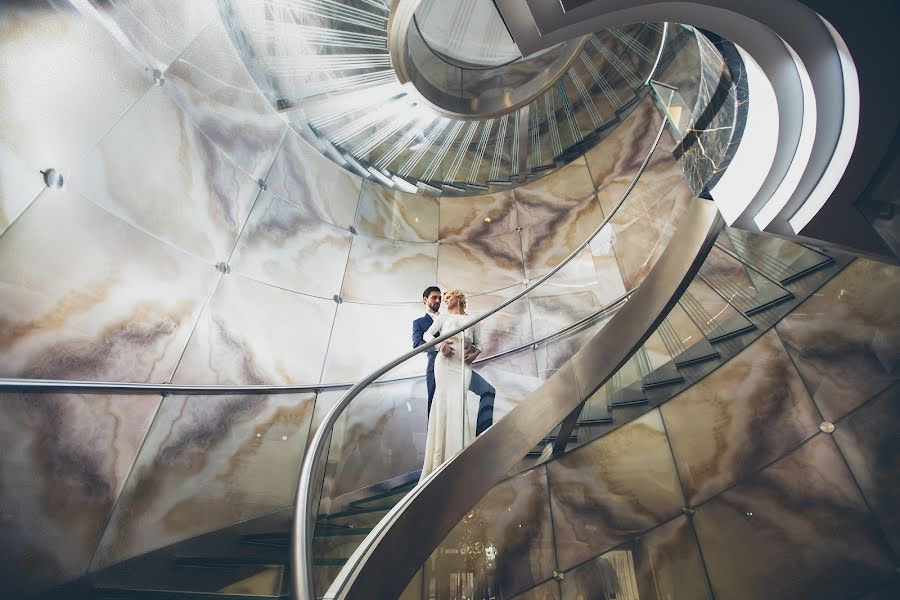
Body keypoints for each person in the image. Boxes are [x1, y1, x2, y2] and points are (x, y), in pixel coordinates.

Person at [416, 289, 495, 480]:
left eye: (448, 296)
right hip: (444, 365)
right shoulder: (443, 316)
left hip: (463, 367)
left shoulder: (473, 319)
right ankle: (438, 463)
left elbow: (480, 344)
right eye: (443, 298)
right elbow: (427, 335)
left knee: (460, 404)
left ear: (458, 298)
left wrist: (475, 352)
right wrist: (439, 345)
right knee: (444, 403)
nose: (445, 299)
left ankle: (461, 458)